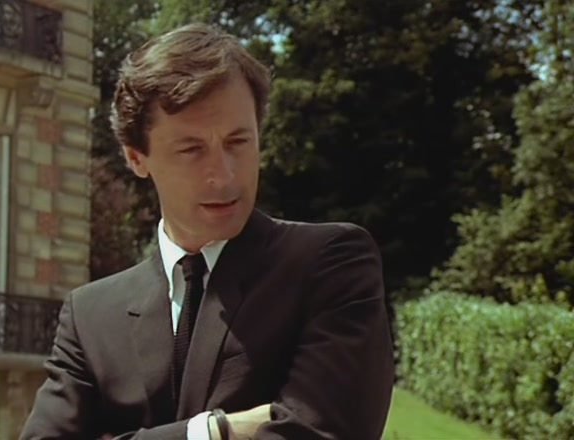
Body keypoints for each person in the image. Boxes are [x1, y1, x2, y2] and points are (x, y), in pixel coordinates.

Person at [21, 23, 394, 440]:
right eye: (192, 149)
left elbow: (323, 431)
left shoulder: (330, 264)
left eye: (238, 142)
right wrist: (212, 431)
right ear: (136, 157)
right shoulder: (91, 316)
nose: (224, 175)